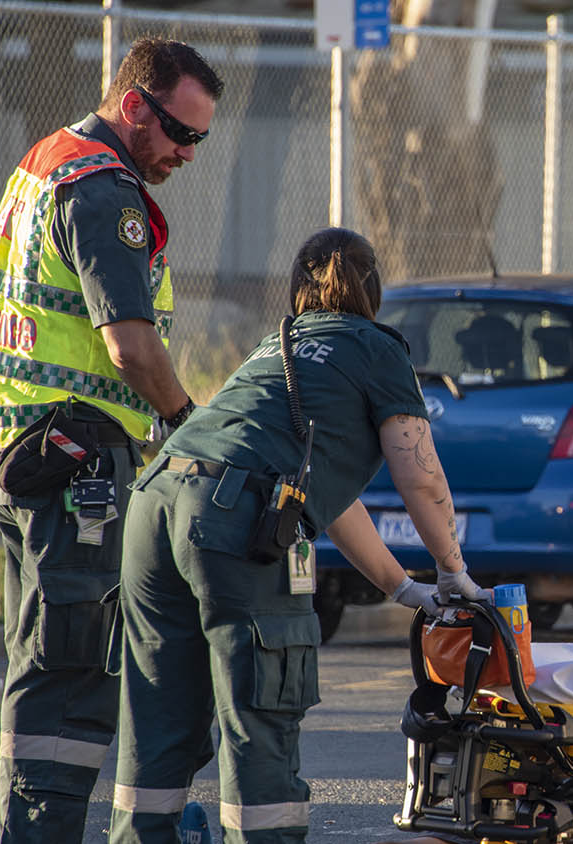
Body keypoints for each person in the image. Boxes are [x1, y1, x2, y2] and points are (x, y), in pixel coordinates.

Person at [110, 227, 488, 843]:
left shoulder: (274, 345)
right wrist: (453, 570)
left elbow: (325, 497)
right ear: (373, 292)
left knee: (158, 716)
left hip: (153, 504)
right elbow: (421, 478)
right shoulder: (377, 347)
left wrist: (402, 589)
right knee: (259, 718)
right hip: (234, 519)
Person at [0, 37, 223, 844]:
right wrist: (186, 420)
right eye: (181, 134)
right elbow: (130, 345)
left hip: (14, 452)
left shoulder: (45, 159)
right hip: (74, 463)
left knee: (39, 658)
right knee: (69, 671)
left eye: (200, 141)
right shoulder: (103, 190)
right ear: (135, 104)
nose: (186, 154)